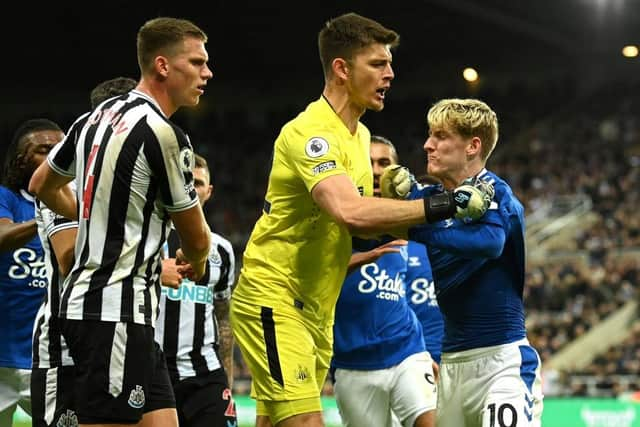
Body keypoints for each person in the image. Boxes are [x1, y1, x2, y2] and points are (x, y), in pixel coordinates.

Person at [229, 12, 492, 427]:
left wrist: (455, 230)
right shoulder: (309, 132)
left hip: (316, 306)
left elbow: (373, 221)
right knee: (303, 422)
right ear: (341, 69)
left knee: (275, 421)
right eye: (377, 64)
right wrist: (444, 206)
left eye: (389, 63)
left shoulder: (363, 137)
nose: (390, 73)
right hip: (275, 297)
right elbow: (350, 212)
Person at [29, 17, 213, 427]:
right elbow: (196, 238)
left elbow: (42, 183)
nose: (207, 73)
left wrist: (94, 213)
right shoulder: (165, 135)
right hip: (113, 311)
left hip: (129, 314)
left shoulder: (94, 118)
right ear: (163, 65)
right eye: (197, 62)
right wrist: (197, 263)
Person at [382, 98, 544, 427]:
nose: (428, 144)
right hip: (452, 367)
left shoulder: (496, 191)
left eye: (440, 136)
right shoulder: (427, 200)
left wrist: (413, 230)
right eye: (430, 135)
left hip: (502, 363)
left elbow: (489, 243)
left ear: (472, 146)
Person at [30, 77, 137, 427]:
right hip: (64, 344)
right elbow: (67, 260)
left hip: (117, 334)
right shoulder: (68, 183)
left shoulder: (131, 184)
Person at [331, 135, 439, 427]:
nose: (377, 170)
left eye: (384, 163)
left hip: (407, 352)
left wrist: (426, 352)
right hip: (353, 364)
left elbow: (411, 300)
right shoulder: (332, 223)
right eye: (369, 163)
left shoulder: (406, 227)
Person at [155, 153, 237, 427]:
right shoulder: (149, 240)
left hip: (206, 375)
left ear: (208, 192)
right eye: (186, 180)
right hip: (153, 371)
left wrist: (227, 376)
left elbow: (223, 317)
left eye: (199, 183)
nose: (192, 188)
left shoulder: (223, 250)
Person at [0, 118, 64, 426]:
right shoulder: (6, 198)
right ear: (21, 160)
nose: (55, 154)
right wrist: (45, 214)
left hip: (51, 357)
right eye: (44, 149)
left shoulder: (77, 204)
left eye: (61, 148)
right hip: (1, 357)